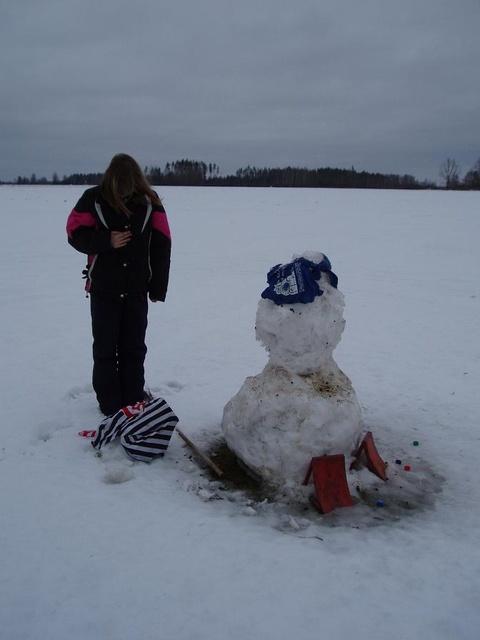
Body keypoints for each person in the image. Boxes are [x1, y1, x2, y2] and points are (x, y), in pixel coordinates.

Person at [66, 153, 171, 416]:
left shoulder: (150, 202)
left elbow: (162, 244)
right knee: (104, 347)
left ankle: (133, 397)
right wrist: (106, 241)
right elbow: (74, 233)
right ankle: (110, 404)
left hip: (136, 289)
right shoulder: (93, 199)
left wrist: (158, 287)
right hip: (103, 288)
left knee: (133, 347)